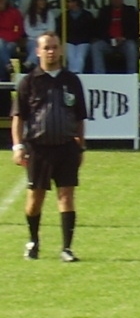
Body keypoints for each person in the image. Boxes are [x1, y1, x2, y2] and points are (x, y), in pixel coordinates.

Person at [11, 32, 88, 262]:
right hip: (38, 148)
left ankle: (67, 248)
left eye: (55, 47)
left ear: (61, 50)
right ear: (38, 51)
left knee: (66, 195)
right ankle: (33, 241)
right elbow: (19, 117)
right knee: (35, 200)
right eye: (47, 48)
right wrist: (17, 146)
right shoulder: (29, 82)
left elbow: (79, 116)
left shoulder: (71, 81)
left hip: (66, 147)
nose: (51, 51)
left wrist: (81, 146)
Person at [90, 0, 139, 74]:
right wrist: (110, 40)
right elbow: (99, 29)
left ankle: (131, 76)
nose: (116, 0)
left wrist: (124, 38)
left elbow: (134, 29)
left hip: (124, 42)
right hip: (108, 42)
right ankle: (99, 76)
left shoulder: (130, 11)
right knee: (96, 46)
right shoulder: (104, 11)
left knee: (131, 47)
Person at [56, 0, 95, 74]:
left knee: (80, 57)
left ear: (76, 2)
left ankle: (77, 75)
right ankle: (72, 75)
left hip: (84, 42)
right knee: (71, 57)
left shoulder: (87, 15)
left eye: (69, 1)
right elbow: (59, 31)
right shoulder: (64, 15)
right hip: (68, 42)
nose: (68, 4)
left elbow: (92, 31)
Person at [23, 0, 56, 69]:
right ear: (35, 1)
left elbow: (51, 30)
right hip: (32, 40)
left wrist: (42, 36)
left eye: (44, 0)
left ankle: (29, 64)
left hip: (47, 40)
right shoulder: (29, 15)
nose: (43, 2)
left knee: (42, 47)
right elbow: (29, 31)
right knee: (36, 47)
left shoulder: (49, 14)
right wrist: (43, 33)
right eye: (41, 0)